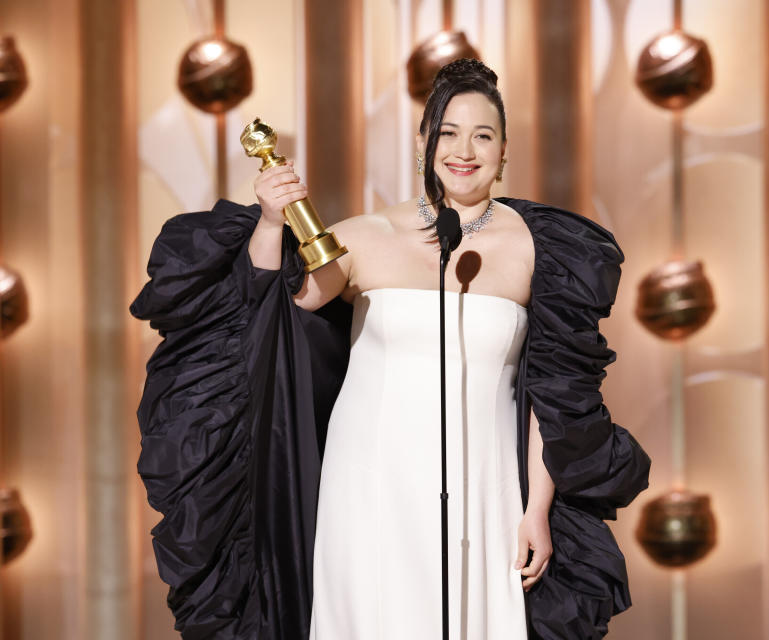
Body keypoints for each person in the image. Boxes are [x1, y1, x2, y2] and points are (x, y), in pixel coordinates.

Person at [132, 59, 650, 640]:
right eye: (448, 133)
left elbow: (554, 398)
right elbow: (279, 308)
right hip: (371, 484)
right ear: (424, 143)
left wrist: (536, 510)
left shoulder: (540, 250)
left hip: (487, 488)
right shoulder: (367, 234)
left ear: (504, 151)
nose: (465, 150)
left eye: (484, 135)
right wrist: (273, 222)